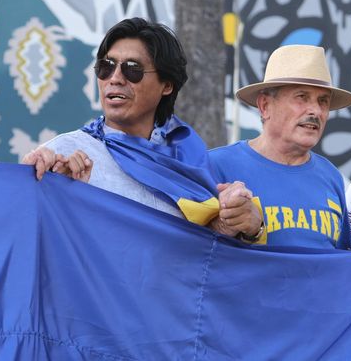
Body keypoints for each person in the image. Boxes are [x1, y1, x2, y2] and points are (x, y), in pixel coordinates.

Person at [23, 18, 264, 242]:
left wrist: (243, 225)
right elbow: (25, 236)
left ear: (167, 85)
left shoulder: (187, 155)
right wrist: (30, 183)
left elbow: (198, 254)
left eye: (132, 69)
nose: (115, 78)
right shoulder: (62, 154)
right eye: (106, 67)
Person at [210, 45, 351, 256]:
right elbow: (188, 258)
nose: (315, 110)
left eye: (323, 101)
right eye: (301, 97)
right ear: (265, 106)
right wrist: (225, 225)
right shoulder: (217, 165)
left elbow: (339, 264)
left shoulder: (330, 175)